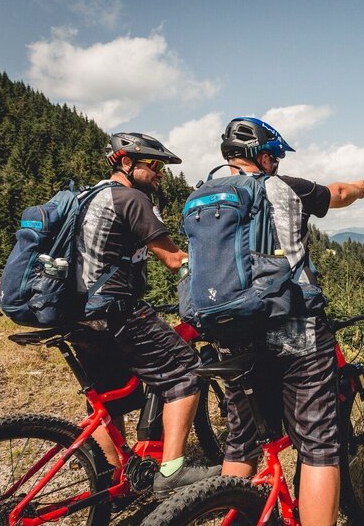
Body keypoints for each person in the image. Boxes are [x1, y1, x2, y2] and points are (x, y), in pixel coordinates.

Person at [216, 117, 364, 526]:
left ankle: (229, 509)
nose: (277, 165)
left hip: (228, 333)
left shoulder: (203, 196)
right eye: (275, 158)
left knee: (242, 442)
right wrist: (358, 187)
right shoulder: (281, 186)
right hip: (293, 327)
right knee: (319, 445)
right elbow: (337, 193)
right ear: (263, 157)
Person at [71, 132, 219, 496]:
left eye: (162, 166)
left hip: (78, 315)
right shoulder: (131, 199)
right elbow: (174, 259)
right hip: (116, 312)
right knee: (185, 371)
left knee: (112, 398)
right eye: (153, 165)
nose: (160, 173)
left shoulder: (88, 197)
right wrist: (220, 275)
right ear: (125, 163)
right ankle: (171, 473)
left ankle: (113, 484)